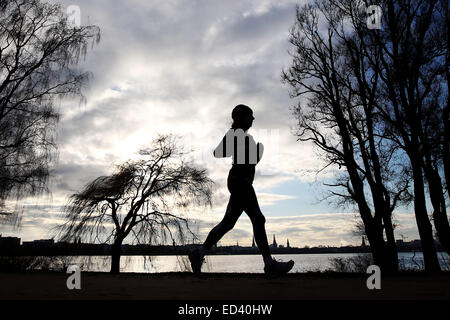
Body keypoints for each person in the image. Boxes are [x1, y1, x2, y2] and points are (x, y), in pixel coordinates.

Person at [189, 104, 294, 277]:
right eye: (249, 116)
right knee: (258, 219)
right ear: (239, 117)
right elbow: (218, 152)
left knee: (228, 223)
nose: (253, 119)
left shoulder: (244, 137)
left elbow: (250, 162)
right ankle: (269, 265)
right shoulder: (236, 134)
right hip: (239, 182)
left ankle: (198, 253)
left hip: (241, 181)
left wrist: (255, 154)